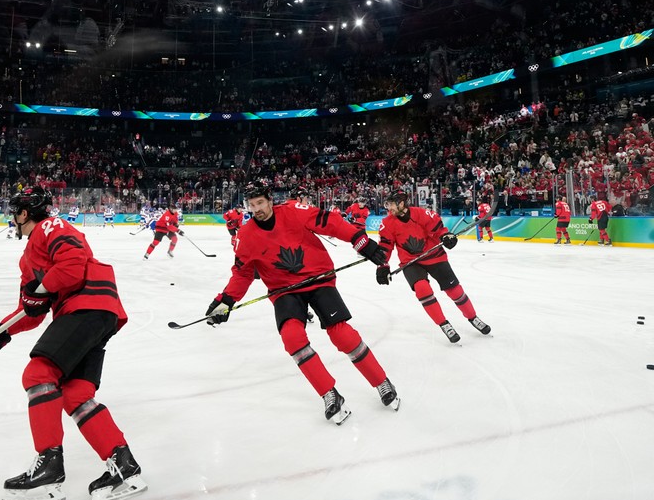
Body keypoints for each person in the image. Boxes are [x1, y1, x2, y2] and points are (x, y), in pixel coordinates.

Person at [0, 187, 146, 500]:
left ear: (24, 214)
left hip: (87, 307)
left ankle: (48, 467)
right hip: (97, 315)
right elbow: (31, 311)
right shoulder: (28, 258)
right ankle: (124, 468)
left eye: (14, 213)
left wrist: (42, 287)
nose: (12, 219)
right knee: (76, 395)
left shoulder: (50, 227)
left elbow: (73, 264)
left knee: (37, 375)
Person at [205, 179, 399, 425]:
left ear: (270, 201)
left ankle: (382, 382)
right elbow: (243, 274)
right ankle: (330, 395)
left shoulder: (294, 211)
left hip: (318, 280)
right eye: (251, 205)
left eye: (260, 203)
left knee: (342, 335)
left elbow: (329, 222)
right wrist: (225, 301)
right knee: (292, 337)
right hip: (283, 290)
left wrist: (359, 240)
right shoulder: (246, 235)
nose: (257, 210)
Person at [376, 190, 492, 344]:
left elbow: (438, 230)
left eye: (391, 203)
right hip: (411, 262)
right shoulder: (387, 223)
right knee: (422, 288)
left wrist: (445, 236)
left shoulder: (422, 214)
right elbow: (385, 246)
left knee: (454, 290)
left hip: (435, 256)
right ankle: (444, 324)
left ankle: (473, 317)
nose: (388, 207)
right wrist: (382, 265)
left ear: (401, 203)